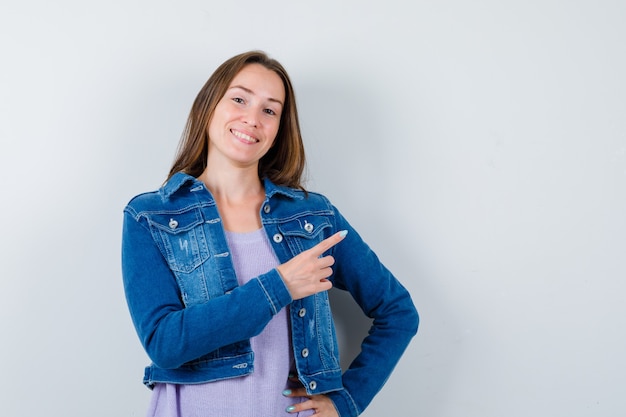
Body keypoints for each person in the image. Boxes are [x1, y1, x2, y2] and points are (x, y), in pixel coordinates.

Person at [121, 50, 419, 417]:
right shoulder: (151, 215)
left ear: (279, 129)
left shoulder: (313, 216)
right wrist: (279, 286)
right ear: (209, 106)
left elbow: (399, 311)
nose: (252, 119)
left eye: (270, 110)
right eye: (240, 99)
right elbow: (164, 343)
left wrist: (347, 401)